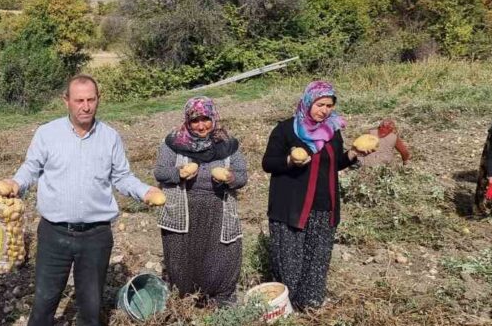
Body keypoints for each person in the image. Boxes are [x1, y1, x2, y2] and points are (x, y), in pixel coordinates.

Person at [0, 74, 162, 326]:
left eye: (91, 100)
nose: (86, 106)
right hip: (54, 232)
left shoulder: (110, 136)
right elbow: (30, 169)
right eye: (79, 100)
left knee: (90, 298)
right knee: (46, 296)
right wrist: (15, 183)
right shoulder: (47, 134)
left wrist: (145, 191)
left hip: (96, 234)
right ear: (66, 101)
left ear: (98, 100)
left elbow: (122, 177)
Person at [262, 81, 362, 311]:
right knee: (289, 260)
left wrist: (354, 154)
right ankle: (285, 309)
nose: (325, 110)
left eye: (329, 105)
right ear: (308, 102)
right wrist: (289, 160)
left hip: (324, 206)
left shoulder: (332, 131)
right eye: (320, 104)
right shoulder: (286, 130)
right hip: (291, 207)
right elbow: (268, 163)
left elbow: (335, 163)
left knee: (317, 260)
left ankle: (310, 306)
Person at [153, 97, 247, 306]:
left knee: (222, 254)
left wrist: (230, 177)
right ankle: (187, 300)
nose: (201, 125)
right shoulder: (174, 143)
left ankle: (219, 298)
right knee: (182, 256)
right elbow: (160, 172)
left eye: (206, 119)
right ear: (187, 121)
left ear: (214, 118)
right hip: (184, 208)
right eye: (195, 120)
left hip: (218, 208)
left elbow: (242, 175)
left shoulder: (228, 144)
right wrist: (179, 173)